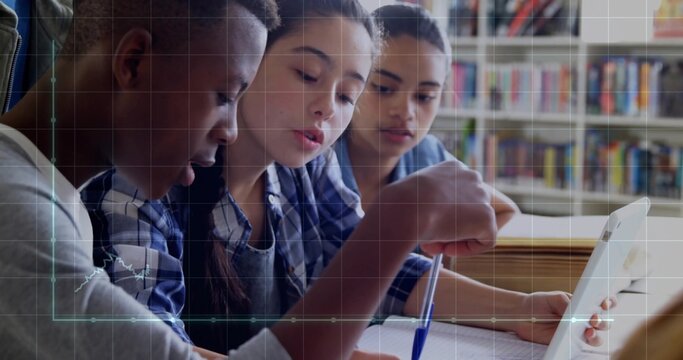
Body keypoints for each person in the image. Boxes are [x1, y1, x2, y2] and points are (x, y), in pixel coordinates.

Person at [83, 1, 611, 359]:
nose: (325, 110)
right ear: (246, 60)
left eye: (346, 95)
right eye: (308, 75)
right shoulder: (144, 184)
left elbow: (383, 267)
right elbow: (153, 348)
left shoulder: (308, 169)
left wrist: (519, 310)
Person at [0, 0, 279, 358]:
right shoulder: (17, 209)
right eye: (224, 96)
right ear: (133, 62)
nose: (231, 132)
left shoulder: (60, 198)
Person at [335, 4, 519, 229]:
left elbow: (506, 211)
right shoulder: (313, 158)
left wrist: (444, 256)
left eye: (424, 96)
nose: (405, 112)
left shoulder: (428, 157)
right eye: (384, 88)